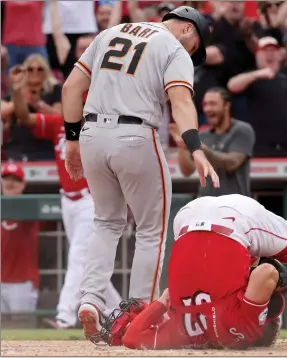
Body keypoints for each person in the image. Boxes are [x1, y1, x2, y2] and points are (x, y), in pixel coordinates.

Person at [61, 6, 219, 341]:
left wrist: (72, 140)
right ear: (188, 30)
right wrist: (196, 148)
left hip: (91, 134)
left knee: (106, 222)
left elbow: (71, 88)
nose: (192, 52)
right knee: (151, 230)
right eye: (195, 47)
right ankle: (138, 315)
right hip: (135, 134)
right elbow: (181, 102)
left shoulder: (110, 33)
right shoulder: (174, 48)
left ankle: (90, 299)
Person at [93, 180, 287, 349]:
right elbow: (130, 338)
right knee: (259, 256)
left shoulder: (245, 329)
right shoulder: (182, 332)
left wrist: (272, 282)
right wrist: (163, 300)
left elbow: (267, 272)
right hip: (186, 220)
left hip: (235, 219)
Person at [9, 65, 122, 329]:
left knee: (78, 257)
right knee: (88, 262)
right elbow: (25, 118)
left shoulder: (99, 130)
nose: (76, 109)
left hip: (90, 199)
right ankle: (118, 311)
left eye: (81, 105)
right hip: (67, 200)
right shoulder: (59, 125)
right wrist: (16, 91)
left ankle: (64, 316)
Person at [228, 36, 287, 158]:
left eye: (273, 51)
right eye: (265, 51)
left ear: (279, 55)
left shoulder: (283, 79)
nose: (270, 55)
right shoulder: (252, 77)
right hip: (259, 143)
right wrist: (259, 74)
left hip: (283, 142)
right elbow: (232, 85)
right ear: (257, 55)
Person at [173, 87, 255, 197]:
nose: (207, 109)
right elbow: (187, 171)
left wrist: (200, 146)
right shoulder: (202, 135)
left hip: (234, 204)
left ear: (227, 106)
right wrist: (181, 145)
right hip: (206, 204)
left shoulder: (242, 130)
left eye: (213, 104)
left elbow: (232, 163)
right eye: (205, 104)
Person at [1, 163, 40, 314]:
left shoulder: (29, 207)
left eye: (15, 180)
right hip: (1, 280)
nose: (10, 183)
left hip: (22, 283)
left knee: (22, 328)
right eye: (6, 179)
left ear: (23, 185)